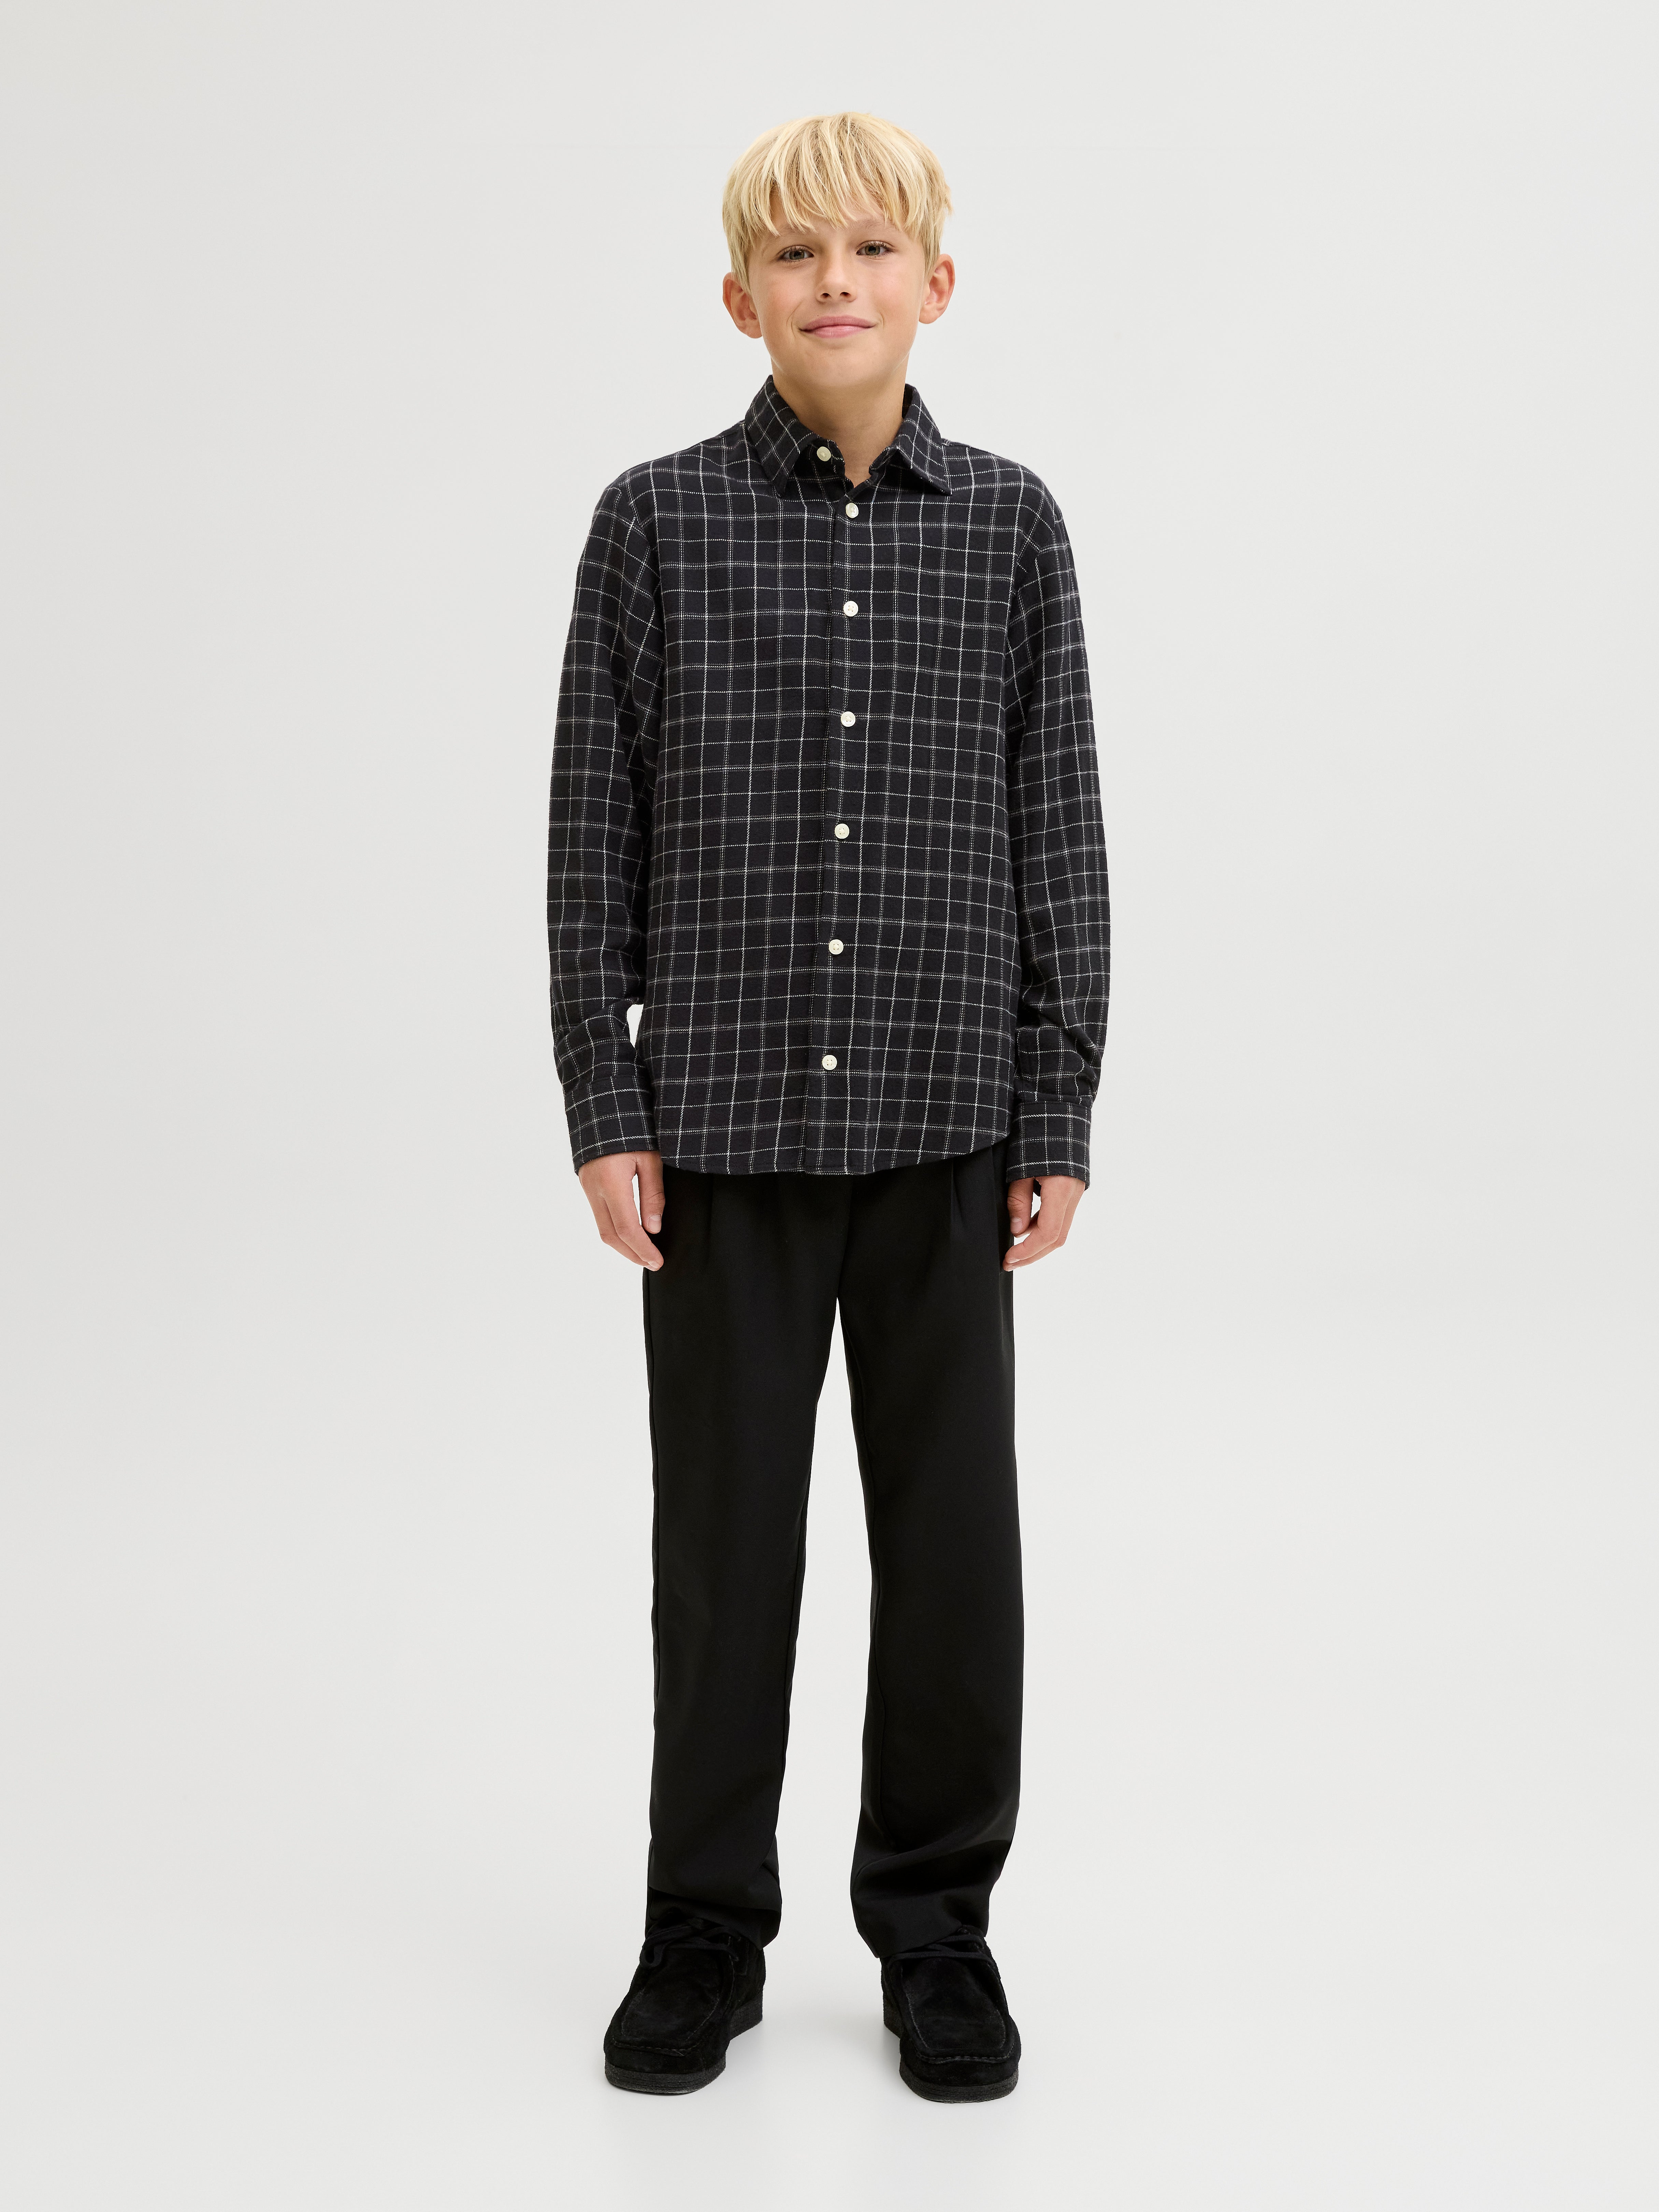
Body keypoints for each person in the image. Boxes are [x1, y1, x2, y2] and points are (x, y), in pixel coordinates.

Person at [547, 110, 1109, 2102]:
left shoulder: (1013, 528)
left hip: (953, 1123)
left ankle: (939, 1931)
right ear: (742, 299)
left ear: (936, 283)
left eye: (873, 249)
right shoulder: (654, 524)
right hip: (718, 1131)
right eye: (797, 256)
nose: (836, 282)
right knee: (725, 1555)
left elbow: (1059, 827)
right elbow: (591, 830)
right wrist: (604, 1096)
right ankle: (702, 1928)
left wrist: (1060, 1104)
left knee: (953, 1554)